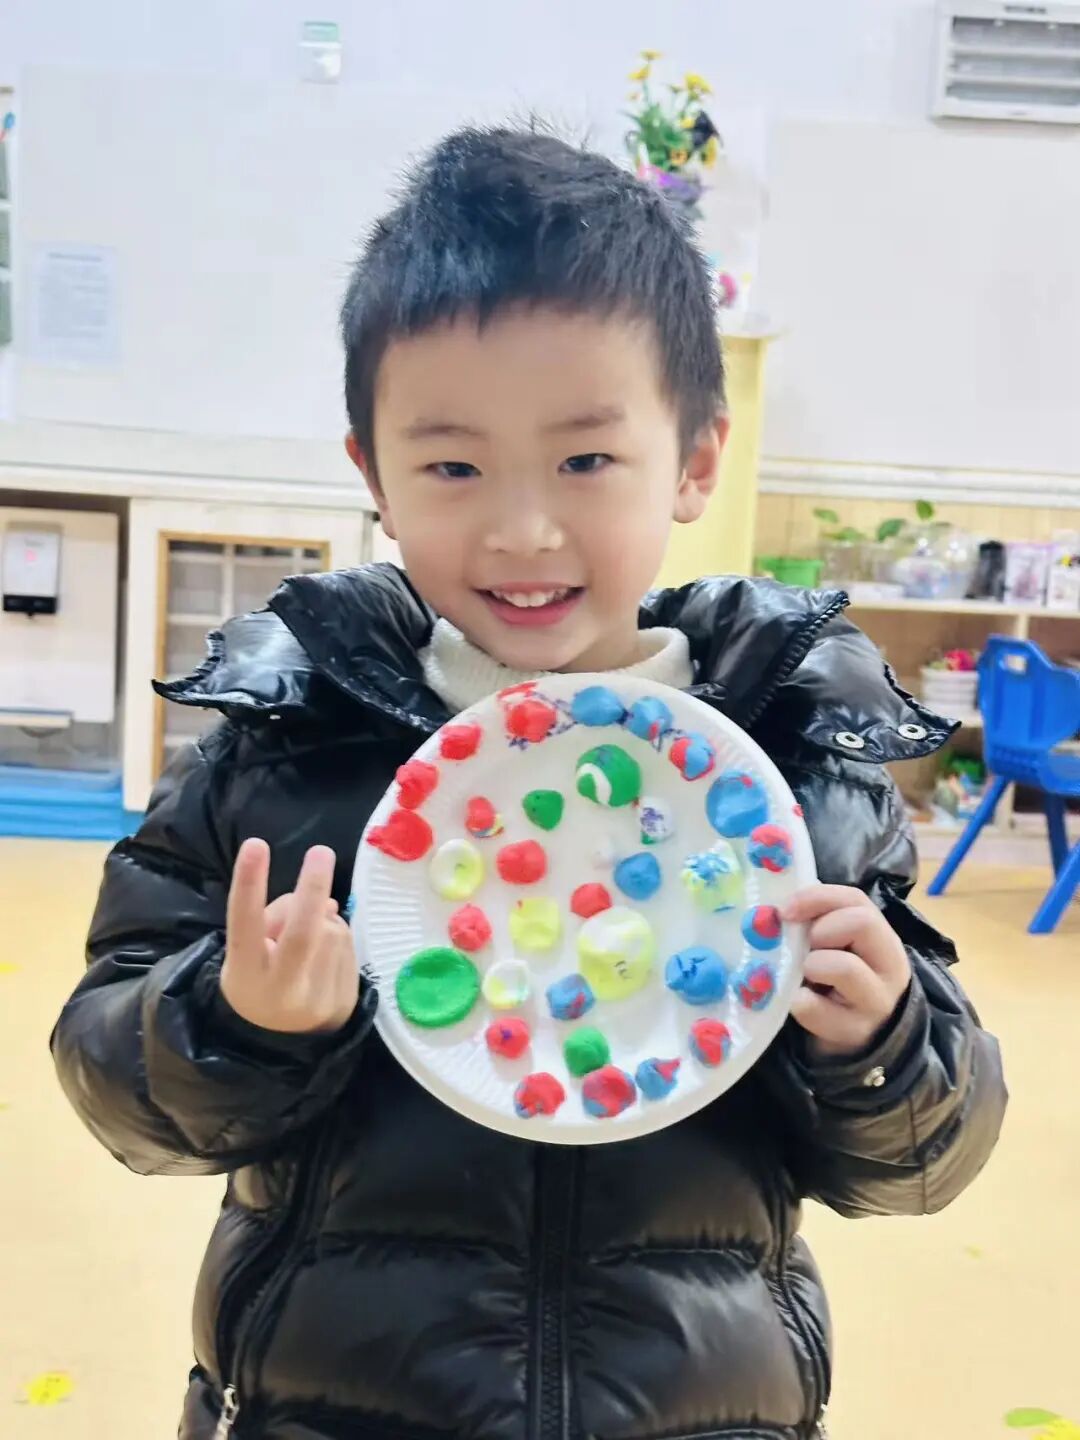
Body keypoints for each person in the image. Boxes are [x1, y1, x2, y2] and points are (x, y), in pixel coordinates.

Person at [51, 126, 1006, 1440]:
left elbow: (925, 1160)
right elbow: (115, 1075)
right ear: (374, 477)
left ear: (696, 460)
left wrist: (883, 1042)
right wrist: (238, 1019)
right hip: (341, 1401)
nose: (521, 529)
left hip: (691, 1405)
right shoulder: (290, 740)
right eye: (453, 466)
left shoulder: (791, 772)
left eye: (584, 460)